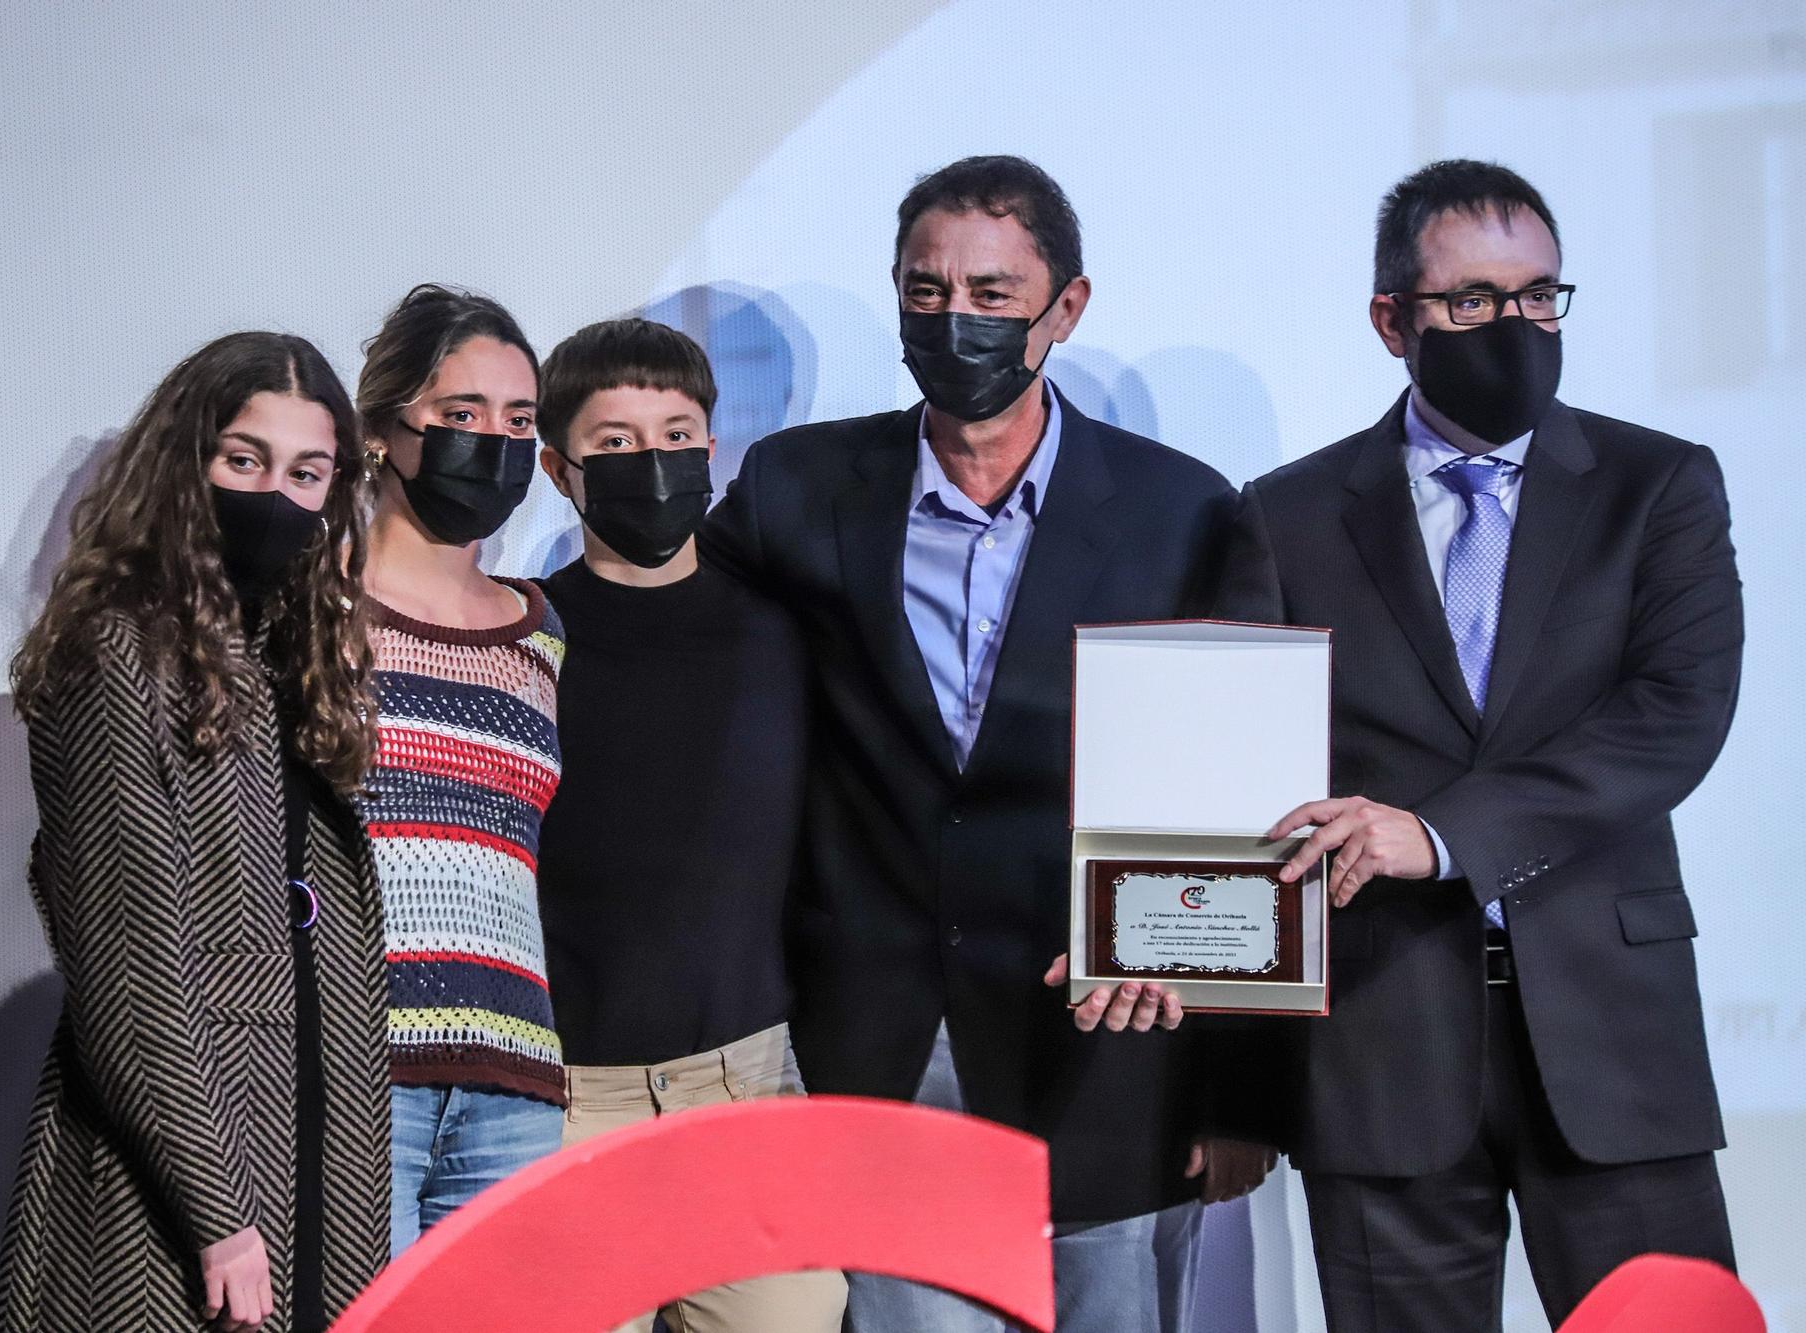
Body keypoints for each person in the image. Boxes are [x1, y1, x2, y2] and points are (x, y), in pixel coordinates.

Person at [699, 155, 1275, 1333]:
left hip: (1110, 1042)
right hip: (874, 1034)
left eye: (990, 295)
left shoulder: (1184, 511)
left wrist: (1240, 1087)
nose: (952, 319)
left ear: (1064, 309)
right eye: (924, 291)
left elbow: (1242, 795)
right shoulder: (795, 488)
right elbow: (678, 661)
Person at [1218, 159, 1742, 1331]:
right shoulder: (1283, 514)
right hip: (1377, 1046)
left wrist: (1440, 834)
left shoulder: (1655, 486)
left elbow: (1674, 718)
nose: (1513, 325)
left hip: (1612, 1041)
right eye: (1472, 302)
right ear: (1390, 321)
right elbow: (1246, 775)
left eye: (1538, 295)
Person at [0, 332, 387, 1332]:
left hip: (311, 1145)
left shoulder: (293, 663)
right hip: (185, 1169)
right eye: (243, 460)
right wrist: (216, 1213)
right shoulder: (117, 653)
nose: (275, 496)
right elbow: (131, 965)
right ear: (187, 459)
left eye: (307, 472)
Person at [533, 317, 847, 1333]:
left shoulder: (785, 632)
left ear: (713, 450)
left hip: (746, 1089)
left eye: (675, 433)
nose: (651, 463)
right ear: (556, 468)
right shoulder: (523, 635)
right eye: (615, 443)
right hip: (559, 1103)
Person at [352, 284, 567, 1256]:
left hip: (513, 1083)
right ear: (384, 429)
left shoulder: (539, 631)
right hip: (359, 1074)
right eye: (459, 416)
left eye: (518, 419)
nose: (494, 442)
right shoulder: (308, 614)